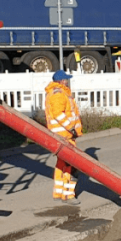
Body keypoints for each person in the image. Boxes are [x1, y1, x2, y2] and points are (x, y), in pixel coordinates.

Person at [45, 70, 83, 205]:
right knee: (72, 165)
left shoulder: (56, 92)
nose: (68, 81)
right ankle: (68, 195)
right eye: (66, 79)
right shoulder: (59, 94)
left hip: (60, 135)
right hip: (64, 135)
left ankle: (58, 193)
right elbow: (58, 114)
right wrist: (71, 127)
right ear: (61, 81)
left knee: (62, 165)